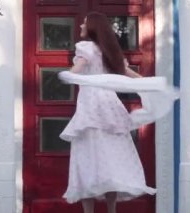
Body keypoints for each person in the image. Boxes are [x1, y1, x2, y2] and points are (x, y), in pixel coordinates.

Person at [59, 12, 157, 213]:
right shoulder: (109, 51)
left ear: (92, 27)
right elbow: (127, 73)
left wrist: (68, 74)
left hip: (91, 107)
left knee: (87, 158)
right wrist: (148, 83)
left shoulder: (86, 48)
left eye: (84, 23)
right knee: (111, 158)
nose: (81, 27)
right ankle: (111, 209)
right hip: (110, 105)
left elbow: (79, 67)